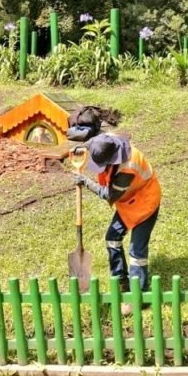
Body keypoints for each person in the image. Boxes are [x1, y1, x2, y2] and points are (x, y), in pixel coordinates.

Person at [72, 134, 161, 315]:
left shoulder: (128, 168)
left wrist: (85, 182)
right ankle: (121, 281)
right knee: (112, 238)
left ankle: (139, 297)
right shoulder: (108, 141)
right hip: (128, 202)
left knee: (137, 252)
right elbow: (93, 143)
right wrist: (80, 148)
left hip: (145, 202)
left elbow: (109, 195)